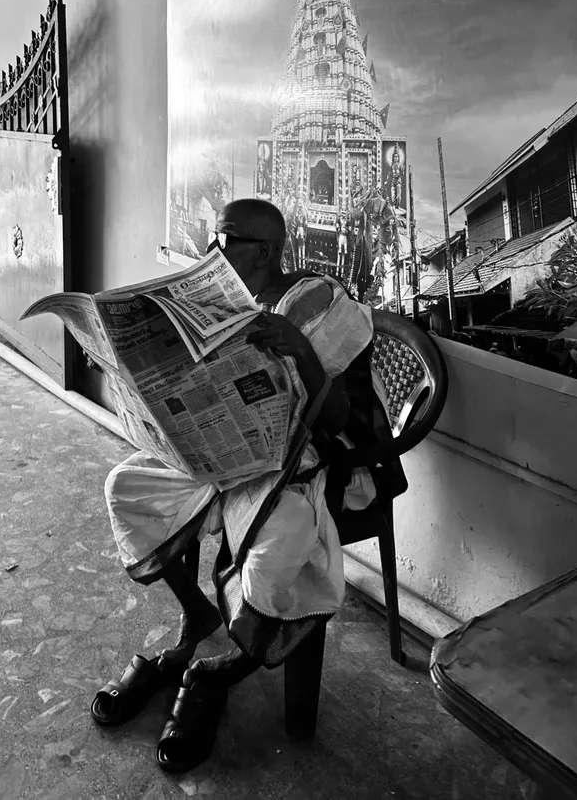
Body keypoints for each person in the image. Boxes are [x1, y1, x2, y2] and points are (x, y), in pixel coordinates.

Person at [91, 199, 406, 772]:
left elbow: (337, 418)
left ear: (263, 249)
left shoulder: (315, 302)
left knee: (274, 554)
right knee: (127, 489)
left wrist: (301, 349)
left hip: (291, 464)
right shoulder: (216, 304)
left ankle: (214, 670)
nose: (214, 250)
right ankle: (201, 618)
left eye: (225, 238)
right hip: (218, 455)